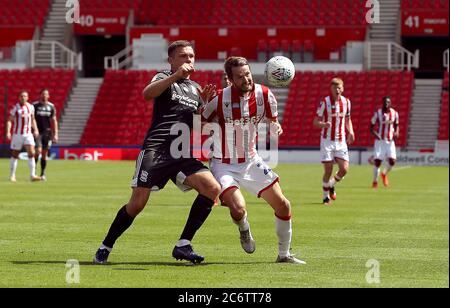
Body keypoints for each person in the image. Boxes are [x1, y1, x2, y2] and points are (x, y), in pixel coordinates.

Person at [93, 40, 221, 265]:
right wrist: (175, 76)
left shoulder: (197, 89)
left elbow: (200, 126)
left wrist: (206, 106)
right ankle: (105, 246)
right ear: (171, 60)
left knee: (212, 188)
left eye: (191, 56)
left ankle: (183, 244)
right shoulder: (163, 78)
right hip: (157, 149)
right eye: (182, 56)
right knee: (137, 203)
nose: (188, 60)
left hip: (181, 153)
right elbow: (147, 94)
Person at [202, 56, 305, 264]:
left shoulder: (265, 95)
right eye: (240, 77)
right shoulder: (219, 99)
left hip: (251, 160)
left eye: (247, 74)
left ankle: (284, 255)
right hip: (223, 165)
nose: (246, 79)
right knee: (239, 209)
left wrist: (276, 127)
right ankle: (244, 228)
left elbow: (273, 121)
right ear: (230, 79)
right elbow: (199, 125)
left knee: (283, 205)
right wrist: (202, 106)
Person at [313, 78, 355, 205]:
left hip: (341, 141)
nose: (337, 90)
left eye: (339, 88)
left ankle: (331, 184)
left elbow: (348, 120)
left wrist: (351, 132)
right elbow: (315, 122)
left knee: (344, 169)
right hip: (327, 141)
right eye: (334, 88)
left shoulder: (347, 102)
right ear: (331, 89)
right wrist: (323, 124)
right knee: (328, 170)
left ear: (342, 89)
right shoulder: (324, 102)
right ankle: (326, 196)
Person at [6, 91, 41, 182]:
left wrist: (36, 129)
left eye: (25, 96)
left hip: (28, 134)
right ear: (19, 97)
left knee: (32, 153)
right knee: (15, 154)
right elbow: (9, 120)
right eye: (21, 96)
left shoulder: (31, 107)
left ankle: (32, 175)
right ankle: (12, 175)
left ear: (28, 97)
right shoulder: (15, 108)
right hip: (17, 134)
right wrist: (8, 132)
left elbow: (33, 119)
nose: (23, 98)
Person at [370, 96, 399, 188]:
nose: (386, 104)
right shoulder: (378, 113)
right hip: (380, 141)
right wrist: (375, 134)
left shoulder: (394, 113)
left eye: (388, 102)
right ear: (382, 103)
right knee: (378, 162)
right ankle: (375, 181)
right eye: (385, 102)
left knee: (392, 161)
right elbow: (371, 127)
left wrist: (397, 132)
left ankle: (384, 174)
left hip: (390, 141)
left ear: (390, 103)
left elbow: (397, 124)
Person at [33, 89, 58, 180]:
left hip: (47, 133)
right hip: (37, 132)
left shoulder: (51, 106)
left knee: (44, 154)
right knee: (37, 151)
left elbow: (54, 121)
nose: (44, 96)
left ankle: (42, 173)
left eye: (46, 94)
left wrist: (56, 134)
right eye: (43, 94)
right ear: (40, 95)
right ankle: (33, 172)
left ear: (49, 96)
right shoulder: (34, 105)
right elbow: (31, 119)